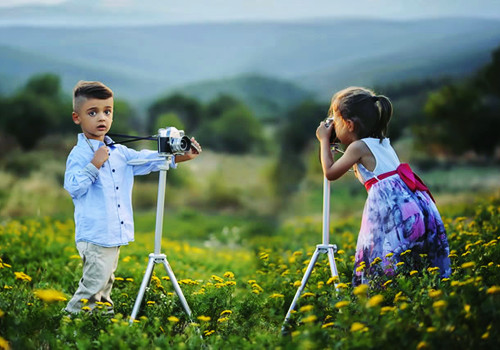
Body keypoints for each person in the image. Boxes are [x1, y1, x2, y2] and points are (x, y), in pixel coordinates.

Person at [64, 81, 202, 314]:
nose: (102, 118)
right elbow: (73, 187)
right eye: (93, 112)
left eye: (107, 112)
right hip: (96, 234)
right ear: (77, 118)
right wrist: (94, 164)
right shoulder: (79, 154)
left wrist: (181, 157)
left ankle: (101, 324)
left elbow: (146, 159)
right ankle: (67, 324)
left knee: (105, 285)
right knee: (92, 287)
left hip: (112, 234)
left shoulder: (120, 152)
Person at [316, 86, 450, 286]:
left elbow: (330, 172)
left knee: (382, 257)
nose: (333, 126)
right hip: (416, 208)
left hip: (391, 213)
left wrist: (323, 141)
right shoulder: (382, 142)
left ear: (350, 124)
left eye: (336, 120)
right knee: (412, 261)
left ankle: (383, 298)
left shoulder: (357, 147)